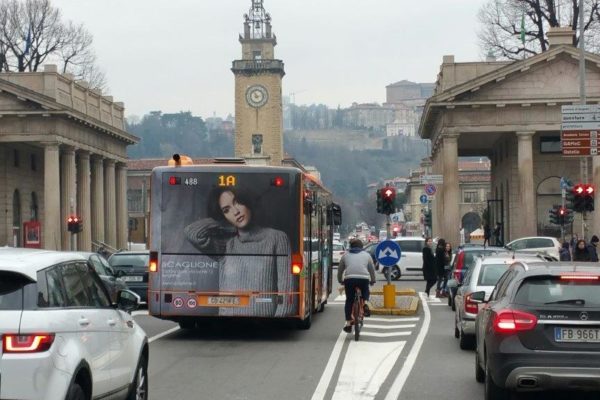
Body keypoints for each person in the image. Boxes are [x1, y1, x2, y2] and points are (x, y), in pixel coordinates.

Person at [184, 186, 296, 318]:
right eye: (226, 210)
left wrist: (275, 326)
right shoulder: (226, 245)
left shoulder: (277, 238)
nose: (235, 212)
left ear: (247, 201)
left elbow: (286, 291)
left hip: (265, 329)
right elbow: (192, 233)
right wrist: (222, 221)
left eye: (237, 202)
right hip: (228, 326)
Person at [337, 239, 376, 333]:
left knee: (349, 300)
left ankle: (349, 324)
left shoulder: (345, 255)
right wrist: (373, 280)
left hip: (349, 279)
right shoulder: (367, 255)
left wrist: (340, 280)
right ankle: (365, 303)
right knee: (365, 290)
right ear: (362, 247)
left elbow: (340, 270)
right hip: (363, 279)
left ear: (351, 247)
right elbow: (371, 269)